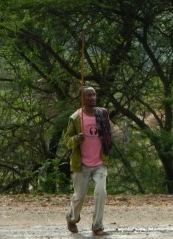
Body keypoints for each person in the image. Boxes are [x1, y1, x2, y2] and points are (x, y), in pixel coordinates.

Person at [64, 86, 114, 236]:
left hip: (100, 162)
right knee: (79, 196)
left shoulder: (102, 114)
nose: (93, 98)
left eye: (94, 95)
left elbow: (108, 132)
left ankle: (97, 226)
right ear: (82, 98)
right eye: (89, 95)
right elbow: (67, 140)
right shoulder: (75, 118)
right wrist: (76, 139)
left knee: (101, 192)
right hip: (82, 164)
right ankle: (72, 218)